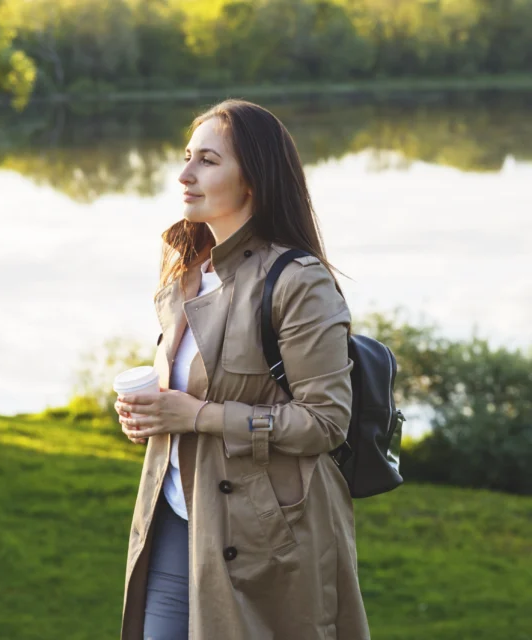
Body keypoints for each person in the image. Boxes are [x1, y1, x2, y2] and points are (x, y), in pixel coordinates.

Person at [114, 99, 370, 640]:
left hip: (267, 542)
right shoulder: (187, 272)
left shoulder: (298, 281)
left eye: (207, 160)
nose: (184, 174)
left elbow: (326, 423)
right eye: (187, 156)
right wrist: (153, 414)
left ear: (251, 179)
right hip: (175, 521)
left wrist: (199, 415)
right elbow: (186, 397)